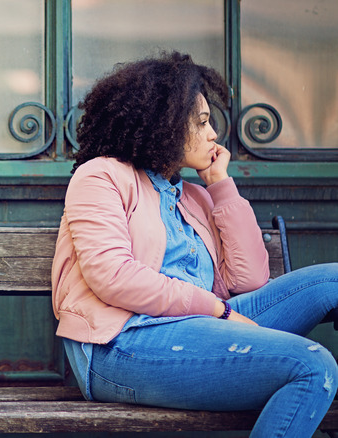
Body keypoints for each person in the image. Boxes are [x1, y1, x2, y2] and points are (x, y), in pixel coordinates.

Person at [52, 51, 338, 437]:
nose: (213, 134)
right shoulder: (100, 177)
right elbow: (113, 276)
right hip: (121, 344)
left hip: (204, 325)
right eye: (202, 122)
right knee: (312, 365)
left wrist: (220, 185)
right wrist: (217, 309)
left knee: (333, 281)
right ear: (165, 124)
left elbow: (249, 280)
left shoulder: (195, 196)